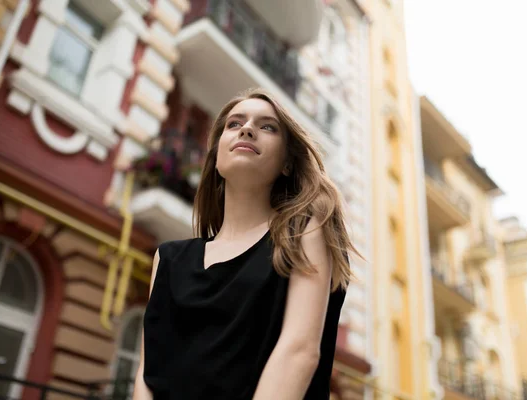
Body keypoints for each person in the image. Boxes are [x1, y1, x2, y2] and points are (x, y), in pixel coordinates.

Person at [133, 88, 359, 399]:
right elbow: (148, 374)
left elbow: (299, 351)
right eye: (234, 124)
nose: (247, 129)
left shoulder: (303, 232)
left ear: (287, 164)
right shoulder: (169, 259)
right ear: (216, 158)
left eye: (267, 126)